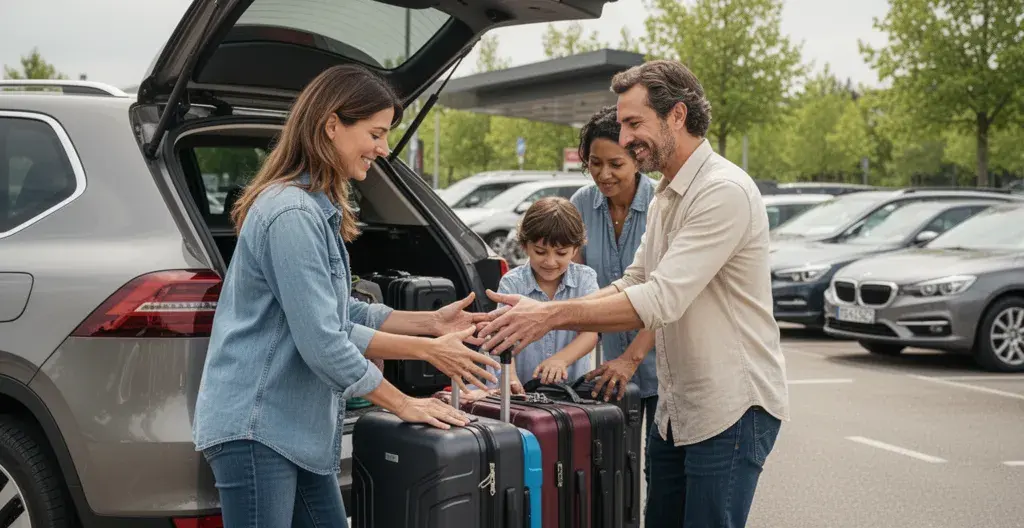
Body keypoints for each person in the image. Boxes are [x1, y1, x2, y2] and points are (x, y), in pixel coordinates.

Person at [477, 59, 790, 528]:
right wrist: (543, 310)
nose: (624, 137)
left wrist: (550, 317)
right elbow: (634, 280)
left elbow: (660, 299)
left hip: (729, 409)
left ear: (676, 115)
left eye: (633, 123)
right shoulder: (669, 194)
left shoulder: (722, 191)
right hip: (677, 407)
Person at [191, 64, 500, 528]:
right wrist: (405, 401)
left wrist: (430, 324)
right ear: (332, 124)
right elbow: (323, 340)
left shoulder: (316, 207)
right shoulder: (292, 214)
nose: (384, 148)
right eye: (376, 133)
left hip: (295, 429)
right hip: (259, 427)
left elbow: (340, 313)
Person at [569, 105, 659, 430]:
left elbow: (670, 294)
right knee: (616, 458)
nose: (604, 174)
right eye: (595, 163)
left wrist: (630, 359)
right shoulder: (581, 204)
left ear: (638, 160)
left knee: (659, 459)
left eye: (616, 164)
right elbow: (576, 286)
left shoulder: (662, 203)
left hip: (666, 372)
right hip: (610, 373)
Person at [463, 197, 600, 401]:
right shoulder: (512, 283)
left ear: (575, 249)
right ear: (525, 246)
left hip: (570, 393)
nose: (550, 262)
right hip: (520, 393)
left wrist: (561, 360)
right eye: (540, 252)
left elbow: (590, 332)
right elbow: (501, 337)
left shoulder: (585, 279)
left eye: (561, 253)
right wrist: (509, 376)